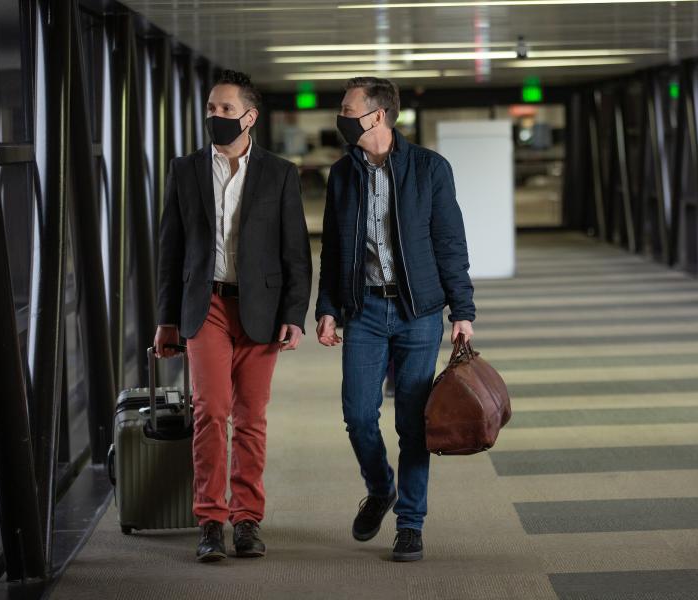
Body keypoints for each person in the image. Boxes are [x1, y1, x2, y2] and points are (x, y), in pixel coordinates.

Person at [315, 76, 475, 562]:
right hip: (362, 310)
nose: (340, 117)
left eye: (347, 108)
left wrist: (462, 311)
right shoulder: (343, 175)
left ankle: (410, 523)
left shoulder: (429, 169)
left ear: (377, 115)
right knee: (359, 416)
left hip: (417, 313)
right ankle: (381, 486)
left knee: (412, 423)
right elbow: (333, 250)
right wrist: (326, 308)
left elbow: (450, 243)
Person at [154, 70, 312, 563]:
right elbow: (170, 250)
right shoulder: (185, 170)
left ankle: (247, 520)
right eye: (210, 108)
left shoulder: (280, 172)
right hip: (207, 307)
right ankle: (210, 520)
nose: (214, 117)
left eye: (225, 109)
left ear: (249, 116)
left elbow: (296, 252)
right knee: (210, 411)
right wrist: (166, 318)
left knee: (250, 418)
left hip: (260, 309)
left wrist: (295, 314)